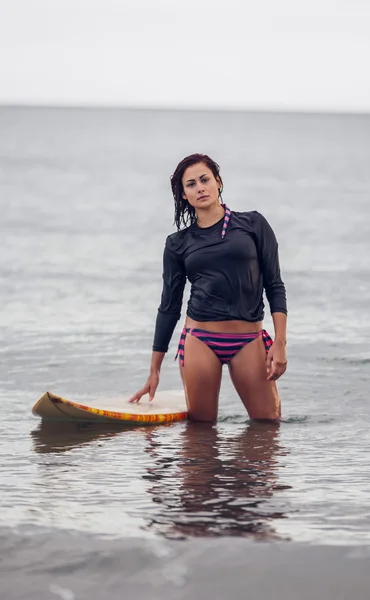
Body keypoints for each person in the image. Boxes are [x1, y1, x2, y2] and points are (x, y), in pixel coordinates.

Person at [129, 153, 288, 421]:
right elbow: (169, 306)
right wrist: (154, 369)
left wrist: (280, 343)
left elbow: (274, 285)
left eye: (205, 180)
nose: (200, 187)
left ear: (219, 183)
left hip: (249, 339)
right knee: (201, 436)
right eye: (190, 184)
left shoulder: (253, 225)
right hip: (200, 340)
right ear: (183, 195)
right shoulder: (178, 243)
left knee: (268, 427)